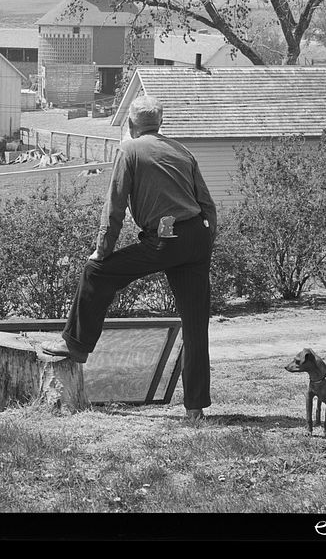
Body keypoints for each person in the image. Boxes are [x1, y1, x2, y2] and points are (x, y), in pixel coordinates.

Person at [42, 95, 218, 421]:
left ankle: (77, 346)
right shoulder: (181, 151)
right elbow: (208, 205)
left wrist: (102, 250)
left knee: (97, 272)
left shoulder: (129, 149)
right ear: (160, 123)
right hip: (195, 238)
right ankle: (195, 409)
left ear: (132, 124)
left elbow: (115, 207)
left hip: (165, 239)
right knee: (195, 327)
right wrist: (207, 242)